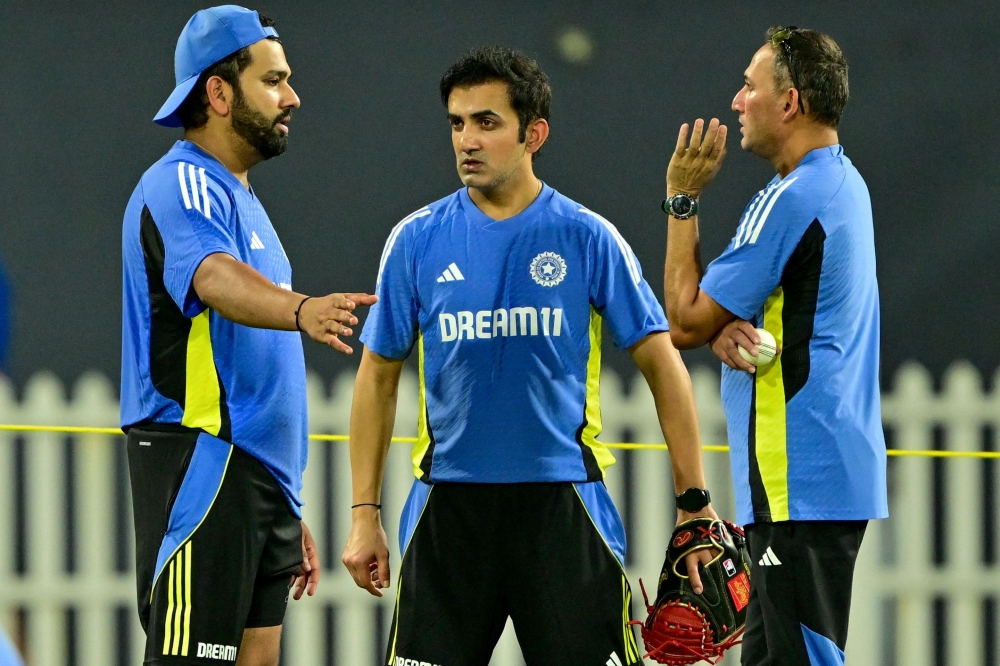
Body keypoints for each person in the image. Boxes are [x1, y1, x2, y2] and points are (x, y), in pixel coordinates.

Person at [341, 46, 717, 666]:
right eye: (457, 123)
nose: (467, 139)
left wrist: (694, 503)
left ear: (533, 133)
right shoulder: (415, 240)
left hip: (563, 509)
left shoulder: (587, 237)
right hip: (448, 512)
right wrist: (364, 516)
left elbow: (664, 366)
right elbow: (377, 376)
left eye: (487, 122)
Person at [120, 7, 375, 664]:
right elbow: (213, 278)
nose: (292, 97)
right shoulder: (180, 182)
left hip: (256, 481)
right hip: (202, 467)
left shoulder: (241, 199)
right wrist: (301, 310)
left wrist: (283, 499)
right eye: (274, 80)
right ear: (218, 92)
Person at [660, 26, 888, 665]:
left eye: (749, 87)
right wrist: (723, 326)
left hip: (800, 478)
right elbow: (740, 319)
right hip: (817, 476)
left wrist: (682, 202)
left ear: (790, 103)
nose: (737, 102)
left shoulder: (794, 197)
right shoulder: (840, 183)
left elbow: (682, 320)